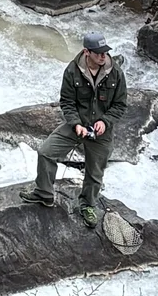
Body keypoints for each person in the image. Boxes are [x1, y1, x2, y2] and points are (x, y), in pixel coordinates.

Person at [32, 32, 125, 227]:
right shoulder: (72, 71)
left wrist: (105, 122)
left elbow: (120, 105)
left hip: (101, 131)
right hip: (77, 124)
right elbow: (66, 102)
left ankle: (88, 205)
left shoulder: (115, 72)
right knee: (46, 152)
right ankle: (44, 194)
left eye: (105, 52)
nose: (103, 56)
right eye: (98, 53)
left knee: (95, 171)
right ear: (86, 52)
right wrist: (76, 124)